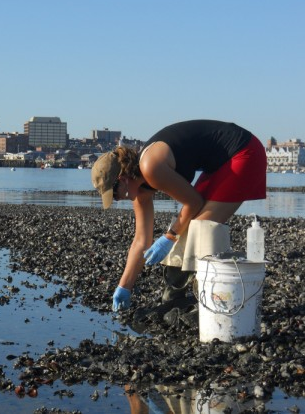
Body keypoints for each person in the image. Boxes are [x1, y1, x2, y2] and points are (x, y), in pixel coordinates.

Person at [91, 119, 267, 311]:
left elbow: (194, 203)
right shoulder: (141, 191)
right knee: (187, 226)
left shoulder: (151, 166)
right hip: (218, 162)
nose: (116, 199)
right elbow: (141, 241)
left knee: (202, 228)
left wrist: (169, 237)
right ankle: (177, 293)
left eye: (114, 194)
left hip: (243, 150)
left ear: (122, 179)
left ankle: (213, 300)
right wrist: (124, 286)